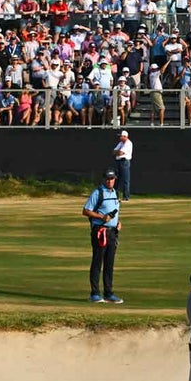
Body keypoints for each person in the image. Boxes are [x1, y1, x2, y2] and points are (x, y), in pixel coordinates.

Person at [81, 169, 122, 304]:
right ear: (104, 179)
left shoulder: (115, 193)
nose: (110, 181)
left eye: (112, 179)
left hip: (112, 232)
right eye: (107, 179)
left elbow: (115, 212)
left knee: (109, 264)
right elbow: (86, 211)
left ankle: (109, 293)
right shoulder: (97, 193)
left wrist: (118, 222)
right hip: (100, 231)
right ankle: (95, 293)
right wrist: (101, 217)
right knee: (98, 262)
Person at [113, 129, 133, 200]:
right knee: (116, 179)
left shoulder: (128, 143)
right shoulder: (121, 143)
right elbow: (114, 151)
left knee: (125, 180)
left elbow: (121, 153)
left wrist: (118, 152)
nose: (120, 138)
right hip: (118, 162)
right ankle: (115, 196)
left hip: (125, 162)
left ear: (125, 136)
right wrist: (118, 152)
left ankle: (126, 197)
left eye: (121, 136)